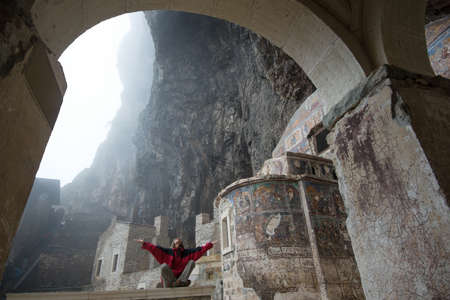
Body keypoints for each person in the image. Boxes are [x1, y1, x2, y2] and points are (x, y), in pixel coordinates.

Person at [134, 238, 216, 288]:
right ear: (173, 244)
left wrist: (210, 244)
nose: (179, 244)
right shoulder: (167, 252)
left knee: (191, 262)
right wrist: (144, 243)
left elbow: (199, 250)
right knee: (163, 267)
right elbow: (155, 249)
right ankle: (174, 283)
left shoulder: (187, 253)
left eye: (180, 243)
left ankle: (180, 282)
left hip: (181, 280)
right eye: (177, 243)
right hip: (169, 282)